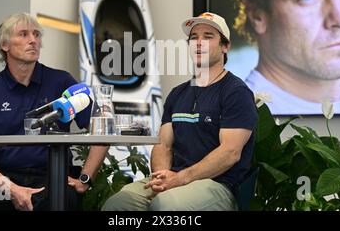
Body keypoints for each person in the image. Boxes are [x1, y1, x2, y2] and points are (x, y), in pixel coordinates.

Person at [0, 13, 109, 211]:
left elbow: (102, 129)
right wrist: (12, 188)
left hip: (53, 177)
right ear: (4, 45)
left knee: (58, 202)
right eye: (23, 34)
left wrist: (85, 178)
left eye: (36, 35)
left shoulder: (62, 81)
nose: (33, 40)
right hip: (5, 179)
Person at [102, 12, 258, 211]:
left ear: (225, 46)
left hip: (217, 185)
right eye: (194, 38)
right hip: (175, 179)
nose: (199, 42)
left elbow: (230, 153)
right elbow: (163, 145)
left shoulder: (236, 92)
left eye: (208, 36)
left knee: (166, 205)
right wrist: (163, 177)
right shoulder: (178, 94)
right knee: (118, 204)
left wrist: (180, 179)